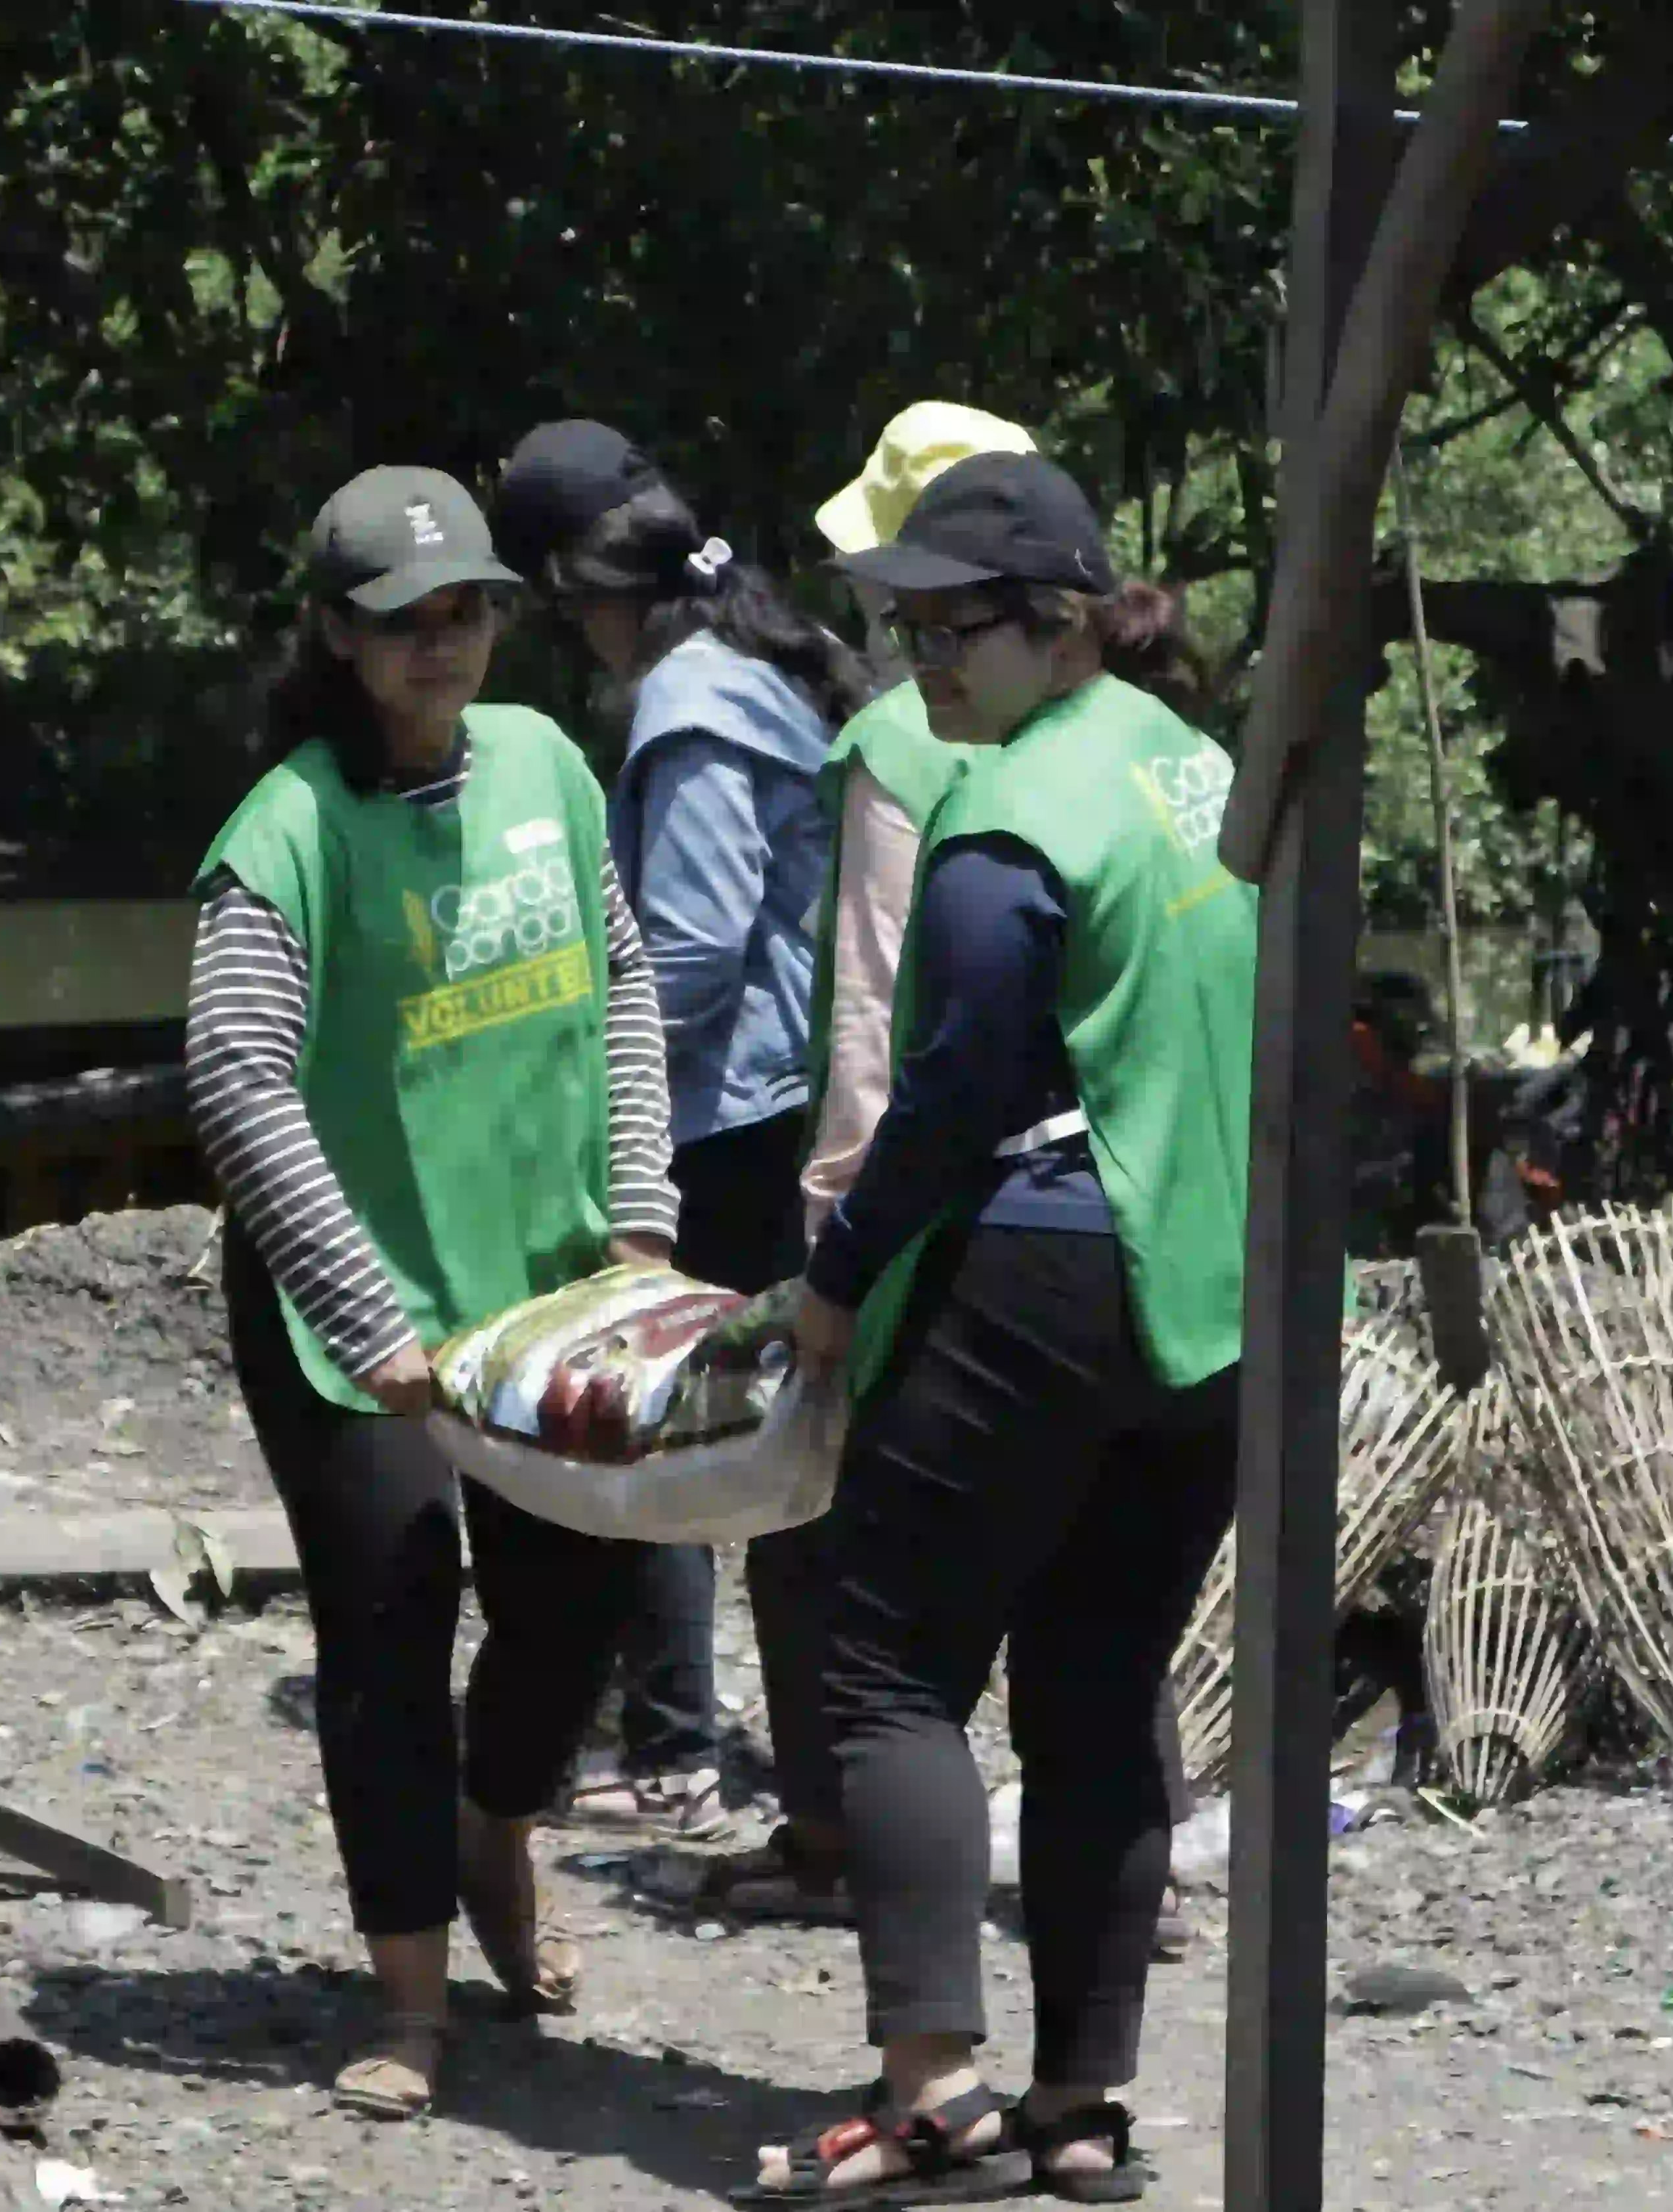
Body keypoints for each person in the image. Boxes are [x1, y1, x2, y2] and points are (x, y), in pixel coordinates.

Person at [748, 454, 1252, 2203]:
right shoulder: (1199, 770)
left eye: (952, 630)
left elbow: (951, 1097)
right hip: (1215, 1303)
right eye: (905, 632)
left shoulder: (1008, 819)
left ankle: (932, 2096)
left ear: (1063, 626)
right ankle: (1080, 2107)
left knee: (886, 1664)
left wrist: (834, 1281)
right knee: (1100, 1683)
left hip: (1047, 1273)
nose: (920, 667)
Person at [184, 463, 680, 2123]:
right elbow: (238, 1080)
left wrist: (643, 1216)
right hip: (358, 1315)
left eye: (467, 610)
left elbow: (620, 977)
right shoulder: (285, 834)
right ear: (337, 632)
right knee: (390, 1623)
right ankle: (409, 2000)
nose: (442, 643)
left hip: (546, 1285)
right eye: (404, 620)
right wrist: (362, 1314)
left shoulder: (545, 764)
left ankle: (497, 1825)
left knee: (578, 1600)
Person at [489, 420, 873, 1845]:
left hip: (724, 1122)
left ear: (585, 588)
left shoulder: (694, 701)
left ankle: (670, 1748)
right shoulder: (764, 663)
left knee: (663, 1418)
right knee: (760, 1430)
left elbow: (695, 949)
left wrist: (588, 1094)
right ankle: (740, 1752)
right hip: (778, 1107)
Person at [687, 401, 1040, 1926]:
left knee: (812, 1523)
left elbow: (871, 1009)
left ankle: (835, 1837)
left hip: (919, 1188)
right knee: (1072, 1540)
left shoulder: (894, 741)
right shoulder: (1123, 734)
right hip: (1081, 1197)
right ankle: (1123, 1850)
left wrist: (835, 1249)